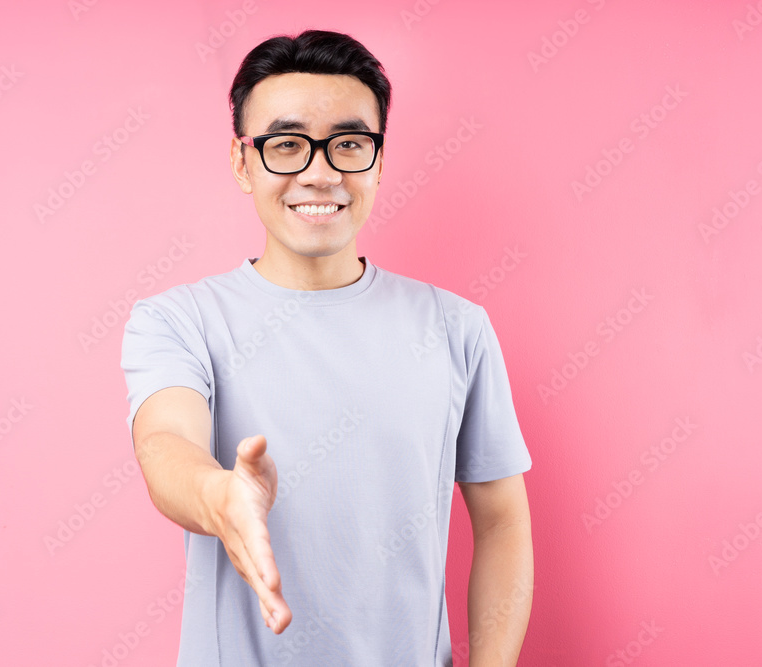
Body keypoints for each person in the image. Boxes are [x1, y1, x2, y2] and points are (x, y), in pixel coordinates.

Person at [120, 29, 533, 666]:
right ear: (242, 162)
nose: (319, 172)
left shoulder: (457, 328)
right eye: (286, 145)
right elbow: (164, 445)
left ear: (377, 159)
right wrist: (218, 496)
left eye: (348, 145)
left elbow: (502, 520)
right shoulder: (179, 321)